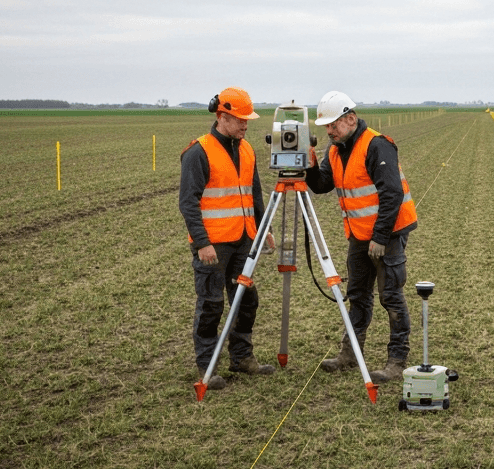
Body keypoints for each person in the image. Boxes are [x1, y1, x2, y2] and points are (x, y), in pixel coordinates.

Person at [305, 90, 418, 384]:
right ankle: (350, 353)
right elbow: (320, 186)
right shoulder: (334, 150)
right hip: (358, 234)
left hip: (388, 233)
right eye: (326, 127)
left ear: (351, 119)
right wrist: (309, 164)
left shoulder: (377, 146)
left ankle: (397, 360)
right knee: (357, 295)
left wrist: (380, 237)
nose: (329, 132)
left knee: (390, 296)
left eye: (334, 125)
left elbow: (391, 194)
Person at [179, 86, 277, 391]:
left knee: (246, 300)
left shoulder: (246, 148)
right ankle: (207, 365)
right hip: (214, 244)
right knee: (211, 304)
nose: (246, 124)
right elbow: (188, 202)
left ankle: (241, 357)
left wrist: (264, 230)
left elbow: (254, 194)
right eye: (240, 119)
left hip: (244, 240)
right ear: (222, 117)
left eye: (248, 119)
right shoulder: (199, 152)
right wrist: (202, 242)